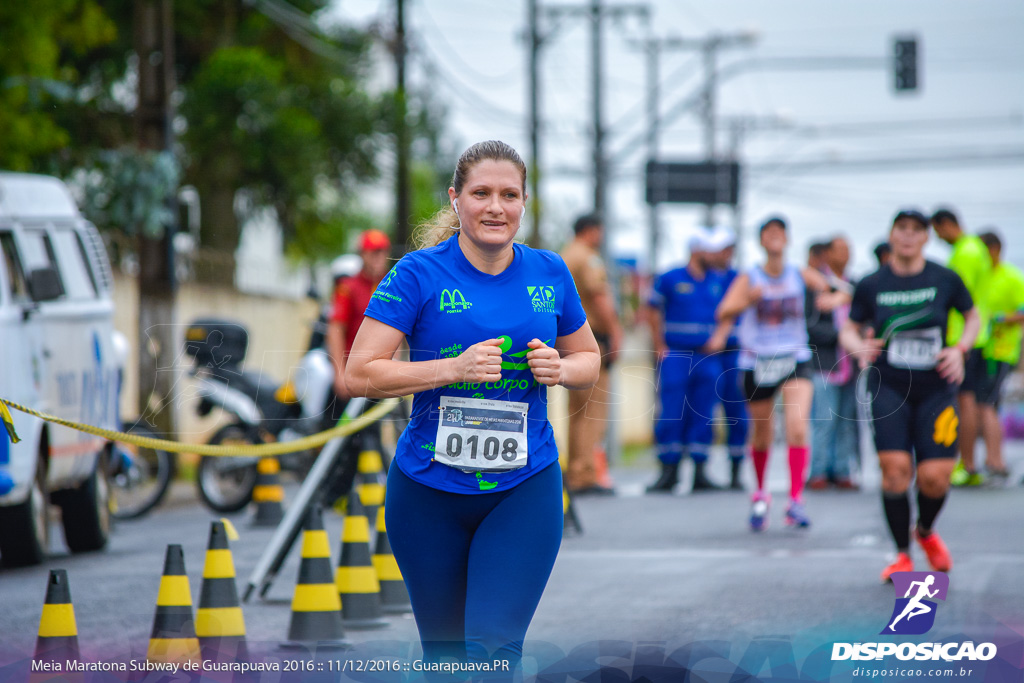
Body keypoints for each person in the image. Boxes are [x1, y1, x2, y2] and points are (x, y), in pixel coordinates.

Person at [345, 140, 600, 672]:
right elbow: (359, 372)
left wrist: (561, 368)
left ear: (524, 203)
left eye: (509, 195)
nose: (495, 207)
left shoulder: (550, 273)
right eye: (481, 193)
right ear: (455, 199)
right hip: (426, 493)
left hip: (523, 488)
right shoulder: (417, 274)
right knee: (445, 659)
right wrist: (452, 369)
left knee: (491, 652)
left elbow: (589, 361)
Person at [840, 208, 980, 582]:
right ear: (892, 234)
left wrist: (961, 349)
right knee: (895, 472)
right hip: (889, 387)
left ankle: (926, 531)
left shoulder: (944, 278)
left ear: (925, 238)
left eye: (916, 230)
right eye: (901, 229)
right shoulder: (872, 284)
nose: (907, 236)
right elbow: (849, 328)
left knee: (935, 477)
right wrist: (859, 347)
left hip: (936, 387)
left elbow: (973, 316)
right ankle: (902, 554)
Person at [713, 216, 835, 530]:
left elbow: (844, 291)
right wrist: (746, 300)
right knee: (762, 433)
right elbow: (723, 311)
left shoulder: (800, 274)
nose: (775, 238)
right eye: (769, 233)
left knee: (797, 427)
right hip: (758, 360)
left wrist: (830, 299)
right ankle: (761, 494)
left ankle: (795, 499)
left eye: (780, 232)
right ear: (762, 241)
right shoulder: (749, 277)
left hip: (794, 357)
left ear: (788, 239)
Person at [646, 229, 726, 493]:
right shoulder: (671, 278)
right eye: (708, 250)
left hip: (706, 356)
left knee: (704, 412)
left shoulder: (717, 280)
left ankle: (700, 471)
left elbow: (730, 312)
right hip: (677, 354)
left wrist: (720, 337)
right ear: (695, 250)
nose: (712, 255)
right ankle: (669, 471)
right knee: (671, 412)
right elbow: (652, 310)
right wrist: (659, 344)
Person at [560, 213, 623, 495]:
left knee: (576, 410)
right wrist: (616, 332)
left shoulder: (564, 255)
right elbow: (599, 298)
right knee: (593, 410)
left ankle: (576, 470)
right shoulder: (587, 258)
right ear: (591, 231)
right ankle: (584, 474)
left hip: (564, 342)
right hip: (590, 341)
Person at [930, 208, 992, 487]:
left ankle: (965, 464)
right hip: (975, 338)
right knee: (971, 403)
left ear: (946, 225)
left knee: (963, 403)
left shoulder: (965, 252)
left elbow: (958, 296)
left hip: (963, 340)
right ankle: (968, 464)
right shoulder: (975, 247)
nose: (937, 237)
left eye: (936, 230)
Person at [807, 236, 859, 490]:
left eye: (849, 249)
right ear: (827, 253)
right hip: (825, 363)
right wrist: (841, 336)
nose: (846, 254)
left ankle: (842, 470)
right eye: (840, 249)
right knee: (824, 420)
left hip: (851, 364)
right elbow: (810, 326)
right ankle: (818, 471)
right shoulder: (817, 284)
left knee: (847, 420)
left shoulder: (854, 285)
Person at [975, 231, 1023, 485]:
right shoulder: (982, 276)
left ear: (994, 249)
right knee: (985, 404)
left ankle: (996, 460)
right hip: (979, 349)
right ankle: (988, 460)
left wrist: (1001, 319)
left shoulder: (1011, 276)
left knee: (986, 404)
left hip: (1000, 351)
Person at [703, 226, 749, 490]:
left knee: (737, 414)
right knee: (704, 412)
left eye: (729, 248)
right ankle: (702, 469)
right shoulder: (701, 277)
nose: (726, 253)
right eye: (721, 248)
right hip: (707, 355)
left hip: (734, 353)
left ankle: (735, 470)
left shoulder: (738, 278)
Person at [325, 230, 392, 403]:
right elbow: (336, 330)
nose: (379, 257)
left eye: (383, 251)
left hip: (381, 375)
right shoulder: (348, 287)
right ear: (363, 255)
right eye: (374, 252)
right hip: (353, 372)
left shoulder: (392, 286)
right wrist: (339, 373)